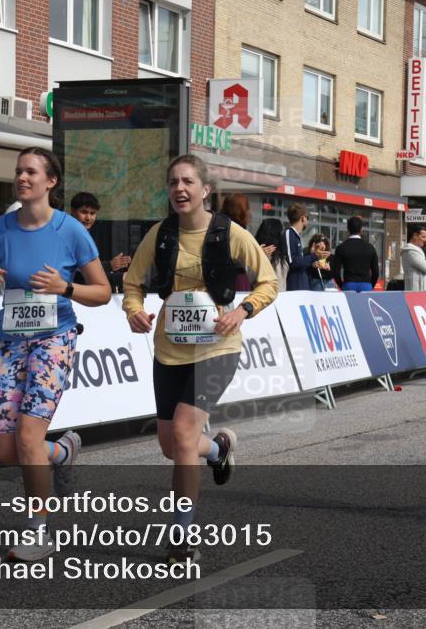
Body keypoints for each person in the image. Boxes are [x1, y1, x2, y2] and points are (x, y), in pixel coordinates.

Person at [123, 154, 277, 564]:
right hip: (169, 350)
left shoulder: (231, 233)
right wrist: (133, 310)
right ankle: (219, 448)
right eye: (173, 182)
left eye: (188, 181)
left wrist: (242, 311)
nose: (179, 189)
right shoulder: (159, 235)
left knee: (185, 432)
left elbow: (269, 282)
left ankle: (182, 533)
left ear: (205, 190)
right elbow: (132, 282)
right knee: (171, 445)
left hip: (217, 348)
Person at [0, 147, 111, 562]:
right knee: (5, 449)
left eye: (31, 172)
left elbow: (103, 292)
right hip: (11, 339)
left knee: (29, 435)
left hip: (55, 338)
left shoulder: (71, 231)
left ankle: (38, 532)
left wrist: (65, 288)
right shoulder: (0, 227)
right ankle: (62, 452)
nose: (22, 178)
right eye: (18, 171)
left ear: (50, 182)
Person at [69, 192, 130, 294]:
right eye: (84, 212)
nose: (88, 218)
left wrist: (110, 265)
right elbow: (80, 274)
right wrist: (119, 276)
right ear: (73, 211)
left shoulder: (85, 235)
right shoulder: (69, 236)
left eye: (92, 213)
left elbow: (87, 267)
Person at [284, 203, 327, 291]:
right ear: (303, 218)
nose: (307, 221)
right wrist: (314, 255)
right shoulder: (289, 233)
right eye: (307, 218)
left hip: (302, 285)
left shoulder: (296, 236)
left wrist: (313, 259)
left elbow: (300, 262)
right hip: (294, 286)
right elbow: (292, 261)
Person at [331, 215, 379, 292]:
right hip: (366, 285)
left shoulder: (341, 248)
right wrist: (370, 285)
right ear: (361, 229)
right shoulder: (370, 248)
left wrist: (342, 285)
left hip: (349, 284)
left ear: (347, 229)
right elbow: (376, 272)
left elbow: (336, 272)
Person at [221, 193, 254, 291]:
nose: (250, 212)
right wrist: (257, 254)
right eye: (247, 208)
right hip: (238, 280)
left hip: (220, 280)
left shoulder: (219, 227)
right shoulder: (240, 232)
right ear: (241, 210)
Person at [254, 218, 287, 292]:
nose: (282, 233)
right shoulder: (259, 251)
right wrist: (257, 254)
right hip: (265, 297)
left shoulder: (279, 252)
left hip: (280, 297)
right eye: (281, 231)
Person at [401, 225, 426, 292]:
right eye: (423, 237)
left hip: (420, 289)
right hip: (414, 290)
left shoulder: (417, 250)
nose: (425, 240)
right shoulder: (410, 251)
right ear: (415, 235)